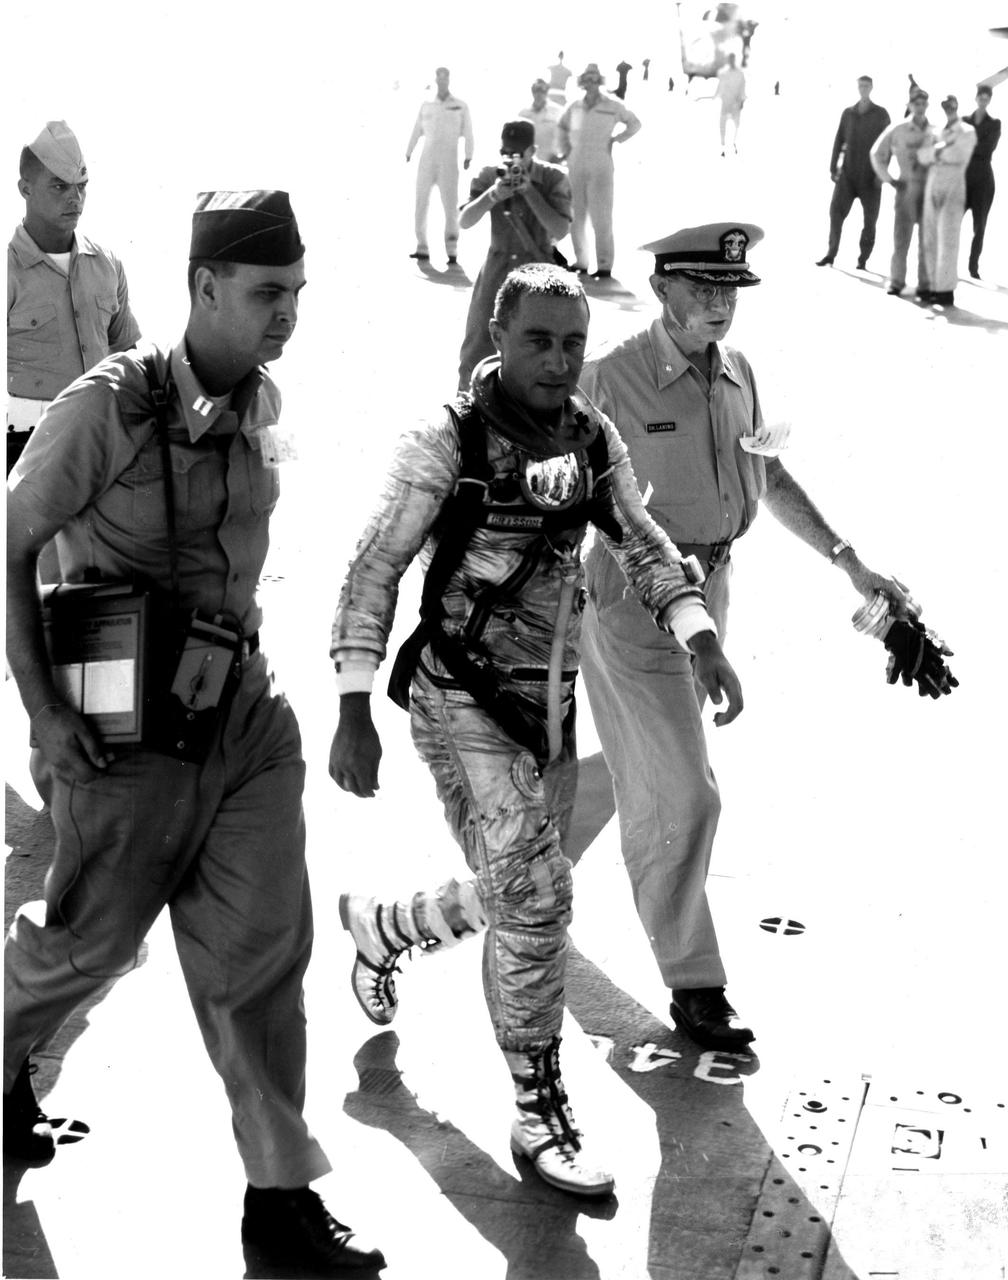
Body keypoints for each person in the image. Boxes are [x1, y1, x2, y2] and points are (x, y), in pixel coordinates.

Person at [4, 190, 384, 1275]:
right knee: (93, 944)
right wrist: (45, 711)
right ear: (204, 287)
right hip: (122, 726)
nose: (288, 314)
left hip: (241, 714)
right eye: (268, 293)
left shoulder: (264, 405)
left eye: (297, 292)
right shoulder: (108, 407)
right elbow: (11, 542)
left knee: (262, 959)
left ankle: (280, 1199)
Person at [329, 262, 743, 1198]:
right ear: (498, 339)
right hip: (457, 700)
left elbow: (639, 539)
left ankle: (388, 927)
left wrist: (700, 635)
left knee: (517, 887)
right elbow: (373, 568)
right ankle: (539, 1109)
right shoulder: (445, 441)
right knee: (542, 898)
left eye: (572, 344)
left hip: (545, 710)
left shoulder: (589, 438)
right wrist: (353, 705)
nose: (557, 361)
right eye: (538, 341)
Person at [576, 223, 913, 1051]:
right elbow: (553, 489)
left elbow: (770, 473)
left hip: (713, 591)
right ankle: (696, 983)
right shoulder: (609, 377)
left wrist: (849, 562)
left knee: (645, 764)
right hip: (634, 598)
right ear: (661, 289)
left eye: (730, 288)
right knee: (687, 793)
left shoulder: (739, 374)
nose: (720, 302)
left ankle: (509, 875)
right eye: (703, 287)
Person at [7, 121, 140, 476]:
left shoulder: (107, 265)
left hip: (100, 443)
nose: (75, 198)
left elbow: (127, 357)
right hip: (23, 448)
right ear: (25, 188)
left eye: (82, 186)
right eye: (60, 186)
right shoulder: (8, 270)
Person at [457, 119, 572, 388]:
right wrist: (493, 195)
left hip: (539, 273)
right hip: (497, 270)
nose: (510, 159)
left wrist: (530, 191)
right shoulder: (490, 175)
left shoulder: (553, 178)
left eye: (518, 153)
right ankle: (468, 405)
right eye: (505, 152)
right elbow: (465, 220)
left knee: (540, 348)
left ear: (532, 150)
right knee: (478, 346)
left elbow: (560, 229)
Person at [556, 64, 641, 277]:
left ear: (600, 80)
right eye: (587, 78)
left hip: (600, 163)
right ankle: (581, 261)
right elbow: (562, 127)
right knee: (576, 215)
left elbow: (634, 123)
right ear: (582, 81)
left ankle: (604, 264)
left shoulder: (612, 105)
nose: (591, 82)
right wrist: (564, 151)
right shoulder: (574, 106)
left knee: (601, 216)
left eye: (594, 78)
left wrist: (617, 139)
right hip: (576, 163)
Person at [815, 76, 891, 269]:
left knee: (870, 220)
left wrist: (880, 174)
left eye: (866, 86)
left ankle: (863, 259)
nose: (863, 89)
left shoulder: (881, 114)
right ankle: (830, 254)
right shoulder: (848, 113)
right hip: (848, 174)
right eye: (861, 86)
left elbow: (888, 147)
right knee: (835, 213)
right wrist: (833, 167)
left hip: (870, 177)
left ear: (872, 87)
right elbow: (839, 140)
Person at [870, 86, 936, 298]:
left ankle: (925, 285)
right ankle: (897, 281)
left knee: (927, 241)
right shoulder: (898, 129)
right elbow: (877, 153)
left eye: (923, 103)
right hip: (906, 188)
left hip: (928, 191)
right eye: (916, 103)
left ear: (927, 105)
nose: (920, 107)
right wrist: (889, 179)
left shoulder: (934, 131)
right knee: (901, 239)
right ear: (910, 105)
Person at [406, 66, 474, 266]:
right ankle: (421, 246)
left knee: (450, 205)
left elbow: (468, 132)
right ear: (436, 80)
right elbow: (417, 130)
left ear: (449, 80)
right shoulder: (427, 104)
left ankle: (451, 248)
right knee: (421, 202)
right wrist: (409, 151)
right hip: (427, 159)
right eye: (439, 77)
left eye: (445, 78)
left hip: (449, 162)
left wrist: (468, 155)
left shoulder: (459, 106)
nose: (442, 81)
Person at [920, 94, 976, 306]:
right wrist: (940, 149)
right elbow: (922, 155)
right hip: (933, 185)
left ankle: (945, 290)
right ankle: (932, 286)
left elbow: (959, 154)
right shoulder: (936, 131)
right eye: (945, 105)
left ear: (957, 106)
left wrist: (936, 151)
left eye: (951, 105)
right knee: (930, 238)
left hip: (953, 188)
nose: (948, 108)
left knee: (948, 239)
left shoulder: (967, 131)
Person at [962, 85, 1001, 280]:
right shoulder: (964, 121)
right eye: (981, 97)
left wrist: (968, 144)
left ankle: (973, 267)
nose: (983, 101)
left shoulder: (994, 123)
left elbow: (988, 148)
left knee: (979, 226)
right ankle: (946, 262)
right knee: (951, 222)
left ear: (989, 100)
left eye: (987, 98)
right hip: (962, 178)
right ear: (976, 98)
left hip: (983, 180)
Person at [519, 78, 565, 162]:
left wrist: (560, 156)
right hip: (529, 160)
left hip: (551, 159)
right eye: (536, 90)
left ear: (547, 91)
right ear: (532, 92)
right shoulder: (523, 114)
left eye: (543, 90)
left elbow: (566, 134)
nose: (539, 94)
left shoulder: (558, 111)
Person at [714, 52, 747, 156]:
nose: (731, 61)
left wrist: (742, 100)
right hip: (726, 103)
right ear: (728, 60)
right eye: (730, 59)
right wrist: (716, 95)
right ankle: (723, 146)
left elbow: (742, 87)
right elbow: (720, 86)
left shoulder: (739, 73)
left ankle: (734, 143)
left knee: (736, 125)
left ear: (734, 59)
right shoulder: (724, 73)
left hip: (735, 103)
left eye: (733, 59)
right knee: (722, 124)